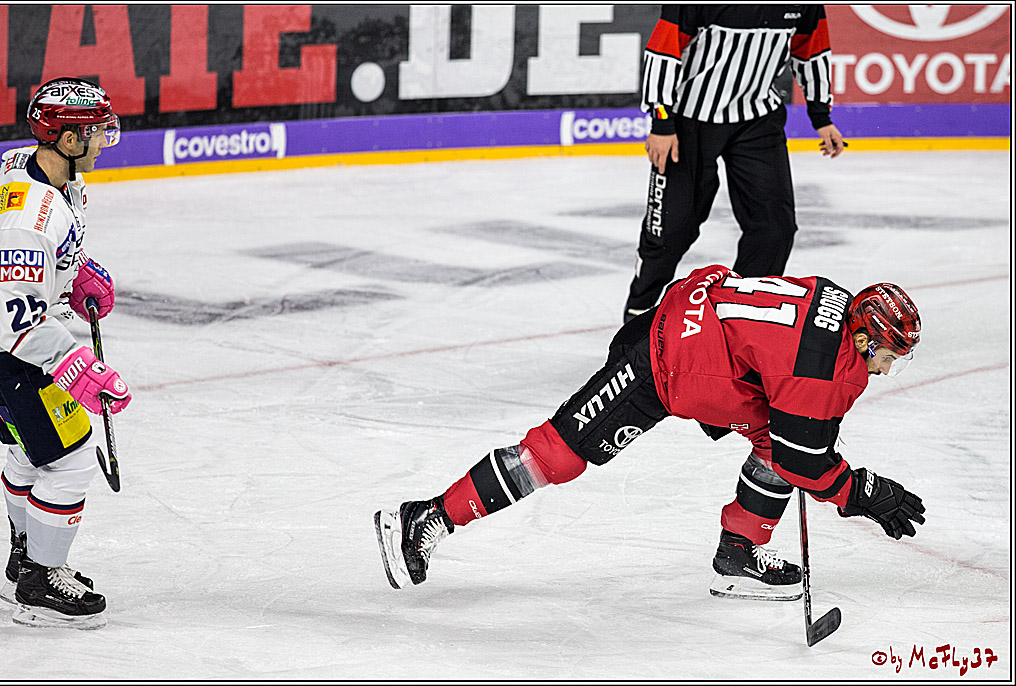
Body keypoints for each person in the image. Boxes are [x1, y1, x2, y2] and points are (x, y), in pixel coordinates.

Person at [376, 265, 925, 600]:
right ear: (862, 339)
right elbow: (806, 463)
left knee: (776, 445)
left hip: (703, 335)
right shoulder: (822, 368)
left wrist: (809, 434)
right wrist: (864, 493)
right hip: (661, 365)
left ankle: (738, 550)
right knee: (557, 455)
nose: (886, 368)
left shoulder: (836, 304)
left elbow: (791, 403)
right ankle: (426, 517)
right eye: (888, 356)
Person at [0, 77, 131, 629]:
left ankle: (25, 557)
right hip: (12, 355)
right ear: (68, 140)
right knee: (71, 454)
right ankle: (40, 581)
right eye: (95, 131)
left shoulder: (43, 174)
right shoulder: (31, 217)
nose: (103, 139)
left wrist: (72, 277)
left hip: (14, 350)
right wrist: (76, 365)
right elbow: (13, 318)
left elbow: (40, 268)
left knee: (29, 453)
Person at [625, 5, 847, 323]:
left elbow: (812, 50)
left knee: (774, 228)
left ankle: (737, 320)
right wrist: (662, 122)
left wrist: (821, 116)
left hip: (757, 119)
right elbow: (664, 50)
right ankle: (639, 312)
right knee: (671, 229)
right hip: (689, 119)